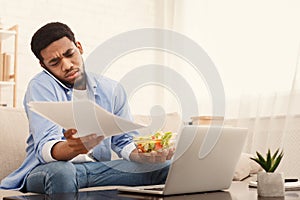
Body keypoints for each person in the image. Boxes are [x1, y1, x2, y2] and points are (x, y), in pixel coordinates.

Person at [0, 22, 173, 194]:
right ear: (44, 66)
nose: (67, 65)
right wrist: (73, 147)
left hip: (98, 169)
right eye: (55, 62)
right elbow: (46, 149)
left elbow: (124, 142)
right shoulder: (41, 86)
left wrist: (144, 155)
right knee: (62, 172)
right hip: (49, 170)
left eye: (69, 54)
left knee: (165, 166)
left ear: (79, 47)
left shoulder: (111, 90)